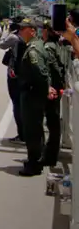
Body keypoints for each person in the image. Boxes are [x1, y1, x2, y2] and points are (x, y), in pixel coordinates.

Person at [16, 18, 57, 176]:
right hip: (34, 94)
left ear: (32, 31)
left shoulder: (33, 49)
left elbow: (40, 72)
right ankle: (35, 160)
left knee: (32, 130)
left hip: (32, 95)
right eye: (20, 28)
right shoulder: (36, 45)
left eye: (23, 28)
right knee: (35, 129)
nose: (20, 31)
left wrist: (46, 88)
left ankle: (34, 163)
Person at [38, 20, 66, 169]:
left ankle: (49, 156)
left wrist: (51, 86)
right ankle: (50, 154)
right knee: (53, 122)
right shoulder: (57, 44)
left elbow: (52, 69)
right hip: (57, 87)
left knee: (52, 122)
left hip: (52, 89)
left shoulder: (48, 47)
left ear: (47, 31)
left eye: (43, 29)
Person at [0, 19, 24, 142]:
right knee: (22, 104)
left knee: (16, 104)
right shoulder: (28, 38)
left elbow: (1, 45)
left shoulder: (13, 37)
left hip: (14, 75)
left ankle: (22, 134)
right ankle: (25, 133)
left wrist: (5, 32)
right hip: (23, 74)